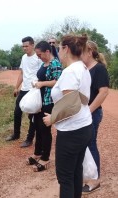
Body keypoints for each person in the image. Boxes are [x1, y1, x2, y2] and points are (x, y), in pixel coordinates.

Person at [43, 34, 93, 198]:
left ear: (66, 49)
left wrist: (52, 118)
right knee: (76, 171)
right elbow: (79, 100)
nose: (58, 51)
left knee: (65, 178)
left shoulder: (70, 72)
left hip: (72, 131)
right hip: (84, 126)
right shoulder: (83, 68)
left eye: (59, 48)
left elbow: (70, 105)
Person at [26, 41, 62, 172]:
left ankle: (45, 158)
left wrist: (42, 84)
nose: (38, 57)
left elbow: (57, 82)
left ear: (47, 52)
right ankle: (37, 153)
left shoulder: (55, 64)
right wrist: (37, 83)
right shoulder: (43, 63)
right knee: (37, 127)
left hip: (49, 101)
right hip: (40, 101)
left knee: (44, 129)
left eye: (40, 54)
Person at [81, 41, 109, 194]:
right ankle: (87, 174)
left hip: (92, 113)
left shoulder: (99, 69)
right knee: (84, 143)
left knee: (91, 143)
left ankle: (95, 180)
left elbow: (103, 92)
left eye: (81, 52)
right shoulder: (84, 68)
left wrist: (89, 111)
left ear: (89, 51)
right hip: (84, 112)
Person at [6, 36, 42, 148]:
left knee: (32, 115)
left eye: (26, 46)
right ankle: (16, 134)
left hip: (33, 90)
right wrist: (16, 87)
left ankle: (29, 139)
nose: (24, 48)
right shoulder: (24, 57)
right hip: (24, 89)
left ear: (32, 45)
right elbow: (22, 74)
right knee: (17, 112)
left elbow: (42, 74)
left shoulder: (38, 58)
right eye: (23, 46)